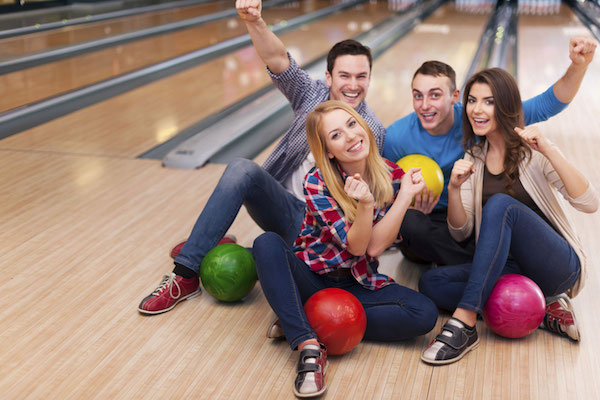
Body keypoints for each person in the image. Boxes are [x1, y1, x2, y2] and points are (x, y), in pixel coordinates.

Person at [138, 0, 385, 314]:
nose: (352, 85)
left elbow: (372, 202)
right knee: (241, 168)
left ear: (370, 78)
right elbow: (277, 57)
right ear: (328, 77)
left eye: (361, 76)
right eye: (345, 75)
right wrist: (253, 20)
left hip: (319, 231)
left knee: (269, 258)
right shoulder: (311, 96)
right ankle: (185, 275)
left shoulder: (372, 131)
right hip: (281, 207)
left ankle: (215, 243)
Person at [253, 100, 438, 397]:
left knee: (424, 313)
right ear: (328, 151)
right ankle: (308, 346)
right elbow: (356, 246)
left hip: (359, 282)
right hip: (313, 280)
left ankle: (302, 318)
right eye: (336, 135)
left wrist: (404, 197)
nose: (350, 136)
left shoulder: (391, 174)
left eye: (352, 125)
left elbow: (375, 248)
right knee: (266, 244)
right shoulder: (318, 182)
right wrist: (365, 204)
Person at [417, 68, 599, 365]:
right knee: (432, 283)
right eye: (472, 100)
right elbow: (461, 232)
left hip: (556, 266)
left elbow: (590, 203)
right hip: (508, 269)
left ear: (505, 105)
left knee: (501, 205)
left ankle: (465, 322)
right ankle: (545, 310)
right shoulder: (472, 158)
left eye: (488, 101)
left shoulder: (534, 152)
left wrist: (550, 150)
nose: (476, 109)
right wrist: (453, 188)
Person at [383, 37, 597, 266]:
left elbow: (548, 104)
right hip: (435, 222)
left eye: (435, 95)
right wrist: (405, 203)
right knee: (411, 225)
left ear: (454, 97)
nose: (424, 105)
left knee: (492, 217)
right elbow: (383, 189)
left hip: (476, 217)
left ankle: (478, 267)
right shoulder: (396, 136)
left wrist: (578, 65)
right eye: (418, 95)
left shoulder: (479, 117)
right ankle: (490, 266)